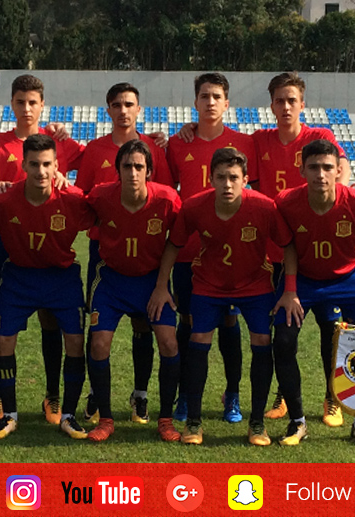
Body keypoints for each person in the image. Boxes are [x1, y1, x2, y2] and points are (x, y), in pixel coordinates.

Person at [149, 148, 292, 446]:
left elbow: (288, 245)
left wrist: (289, 290)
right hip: (209, 284)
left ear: (245, 180)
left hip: (254, 285)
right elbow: (173, 245)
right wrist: (162, 286)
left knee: (262, 342)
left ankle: (256, 424)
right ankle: (194, 423)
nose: (228, 184)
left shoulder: (264, 207)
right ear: (211, 178)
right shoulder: (194, 207)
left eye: (234, 178)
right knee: (198, 340)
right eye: (221, 177)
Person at [0, 74, 85, 427]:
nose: (26, 108)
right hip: (9, 245)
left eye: (33, 102)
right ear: (12, 104)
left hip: (50, 248)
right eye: (20, 101)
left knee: (51, 319)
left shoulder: (61, 142)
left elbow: (99, 161)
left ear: (42, 105)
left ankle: (52, 396)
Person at [272, 139, 355, 449]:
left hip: (349, 279)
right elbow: (288, 249)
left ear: (339, 170)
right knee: (283, 341)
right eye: (313, 167)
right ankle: (297, 422)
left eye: (327, 168)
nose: (321, 175)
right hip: (305, 280)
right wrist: (290, 290)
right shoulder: (286, 202)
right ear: (302, 170)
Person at [153, 73, 257, 424]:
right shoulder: (178, 143)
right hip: (188, 250)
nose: (210, 102)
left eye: (216, 96)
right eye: (203, 96)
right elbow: (167, 191)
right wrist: (160, 141)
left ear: (227, 103)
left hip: (233, 251)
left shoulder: (245, 143)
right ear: (195, 102)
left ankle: (233, 393)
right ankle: (186, 393)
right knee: (189, 320)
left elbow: (253, 197)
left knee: (229, 320)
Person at [251, 72, 352, 426]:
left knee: (330, 329)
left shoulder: (319, 137)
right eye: (279, 100)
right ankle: (282, 396)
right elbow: (224, 153)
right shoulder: (259, 141)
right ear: (272, 105)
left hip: (320, 256)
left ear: (302, 104)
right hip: (279, 254)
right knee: (285, 333)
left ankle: (333, 397)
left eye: (292, 99)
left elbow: (342, 171)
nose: (286, 106)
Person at [76, 83, 171, 426]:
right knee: (99, 326)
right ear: (108, 109)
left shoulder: (154, 148)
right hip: (105, 252)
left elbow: (165, 196)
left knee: (143, 323)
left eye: (129, 104)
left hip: (147, 252)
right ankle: (95, 393)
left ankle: (140, 394)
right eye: (116, 104)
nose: (123, 110)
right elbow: (84, 197)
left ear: (139, 109)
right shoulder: (94, 150)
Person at [84, 139, 181, 442]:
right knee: (99, 344)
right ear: (118, 171)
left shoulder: (166, 200)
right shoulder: (100, 197)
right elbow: (75, 208)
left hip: (151, 282)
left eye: (139, 166)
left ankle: (165, 418)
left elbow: (176, 241)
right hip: (111, 280)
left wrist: (163, 286)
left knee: (168, 342)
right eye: (127, 166)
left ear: (149, 171)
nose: (133, 172)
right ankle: (106, 418)